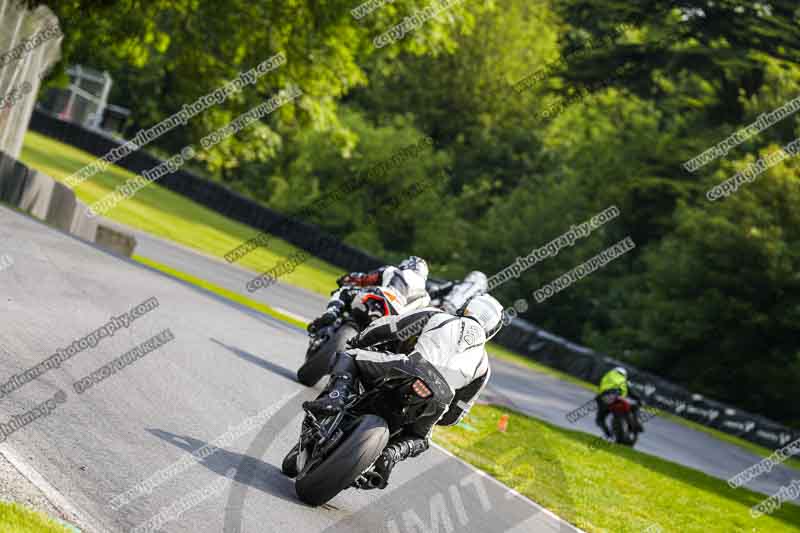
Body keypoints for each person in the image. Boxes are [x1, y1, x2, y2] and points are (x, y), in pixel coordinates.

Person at [303, 293, 504, 489]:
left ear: (466, 306)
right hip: (440, 398)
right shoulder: (484, 366)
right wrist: (432, 414)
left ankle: (334, 399)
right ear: (492, 329)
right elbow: (456, 414)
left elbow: (389, 327)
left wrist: (359, 341)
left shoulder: (439, 316)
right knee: (421, 439)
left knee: (349, 356)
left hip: (409, 367)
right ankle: (391, 455)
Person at [307, 256, 431, 334]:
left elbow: (366, 279)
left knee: (345, 291)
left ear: (408, 265)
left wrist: (348, 278)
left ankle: (332, 313)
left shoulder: (393, 270)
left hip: (381, 299)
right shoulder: (426, 297)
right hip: (397, 321)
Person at [595, 366, 643, 438]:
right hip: (617, 397)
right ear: (624, 374)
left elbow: (600, 387)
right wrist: (639, 400)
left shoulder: (606, 376)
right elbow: (632, 392)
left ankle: (608, 433)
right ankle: (636, 423)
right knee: (635, 407)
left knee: (600, 419)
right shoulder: (624, 380)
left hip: (604, 398)